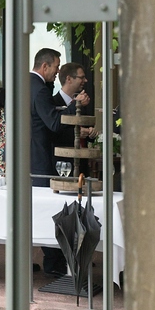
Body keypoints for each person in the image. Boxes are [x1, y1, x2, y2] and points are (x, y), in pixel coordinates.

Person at [30, 48, 89, 275]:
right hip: (41, 160)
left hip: (27, 158)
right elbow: (54, 123)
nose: (57, 72)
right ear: (45, 66)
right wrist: (74, 106)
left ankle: (54, 261)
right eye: (56, 67)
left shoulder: (23, 84)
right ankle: (55, 265)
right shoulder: (40, 90)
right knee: (50, 211)